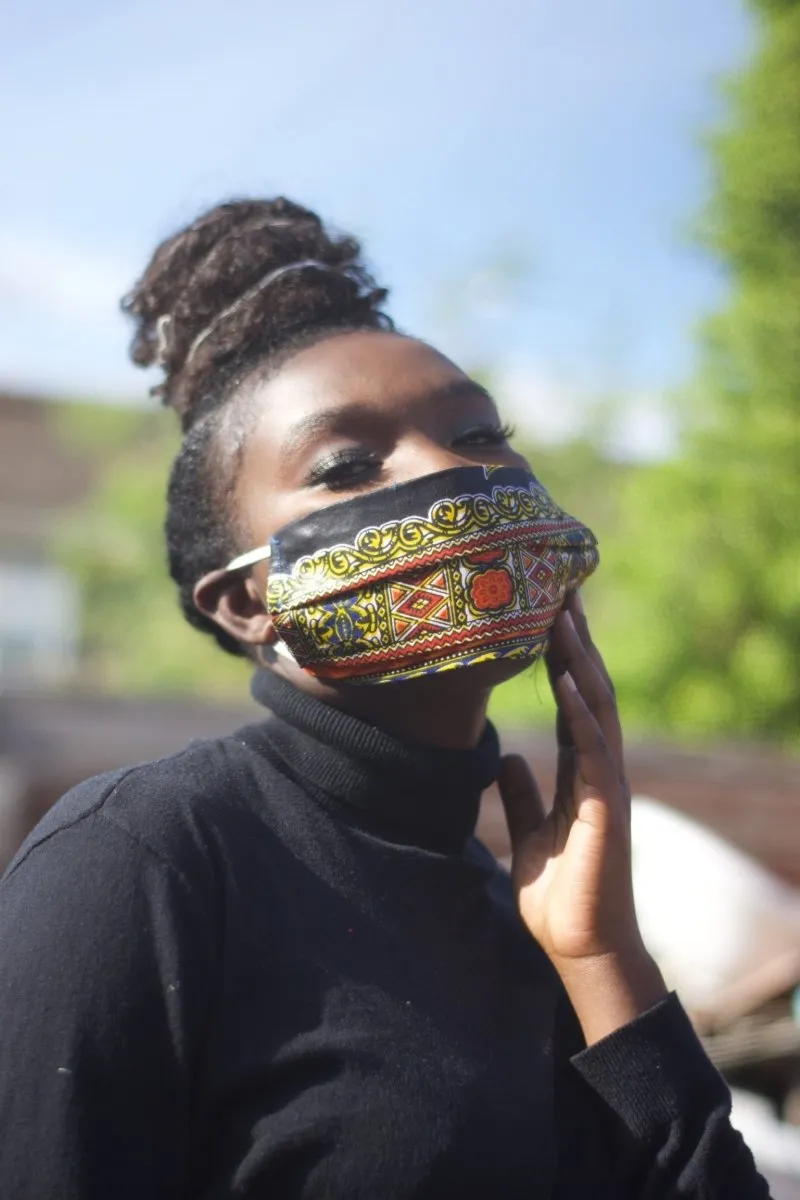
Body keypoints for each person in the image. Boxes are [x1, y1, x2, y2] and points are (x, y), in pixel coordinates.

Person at [0, 197, 771, 1198]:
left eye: (482, 431)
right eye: (346, 464)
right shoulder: (141, 862)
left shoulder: (532, 912)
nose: (455, 471)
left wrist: (602, 958)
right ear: (246, 601)